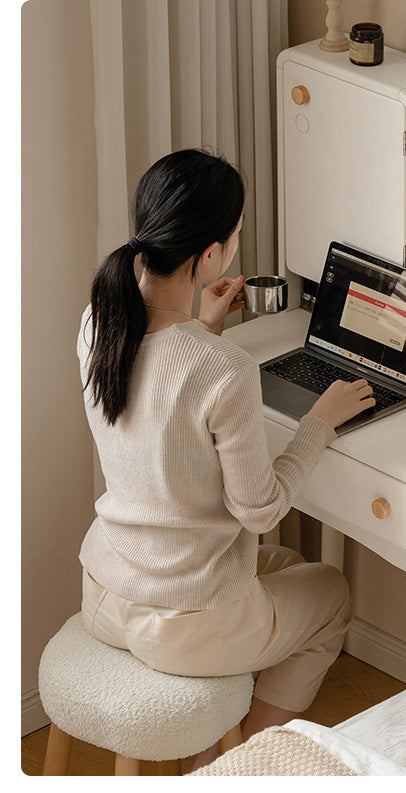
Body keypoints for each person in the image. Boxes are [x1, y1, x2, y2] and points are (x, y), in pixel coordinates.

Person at [77, 148, 375, 769]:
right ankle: (232, 762)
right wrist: (318, 422)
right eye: (235, 233)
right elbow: (259, 509)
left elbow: (159, 407)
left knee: (289, 564)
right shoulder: (223, 369)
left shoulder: (98, 322)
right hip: (183, 623)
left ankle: (220, 733)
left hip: (106, 592)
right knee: (333, 594)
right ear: (210, 253)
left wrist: (203, 325)